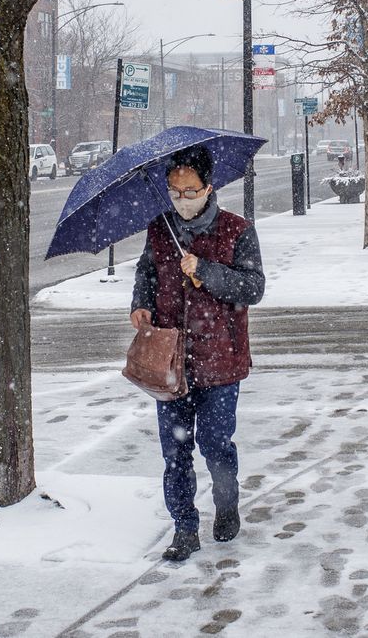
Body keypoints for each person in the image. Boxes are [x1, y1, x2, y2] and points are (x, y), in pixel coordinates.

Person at [130, 146, 266, 563]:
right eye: (175, 191)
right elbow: (146, 273)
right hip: (169, 362)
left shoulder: (236, 231)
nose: (182, 200)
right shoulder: (160, 230)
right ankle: (184, 527)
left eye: (191, 191)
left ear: (209, 188)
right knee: (175, 451)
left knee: (214, 443)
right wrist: (141, 303)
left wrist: (204, 271)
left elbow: (253, 288)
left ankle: (226, 505)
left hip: (220, 361)